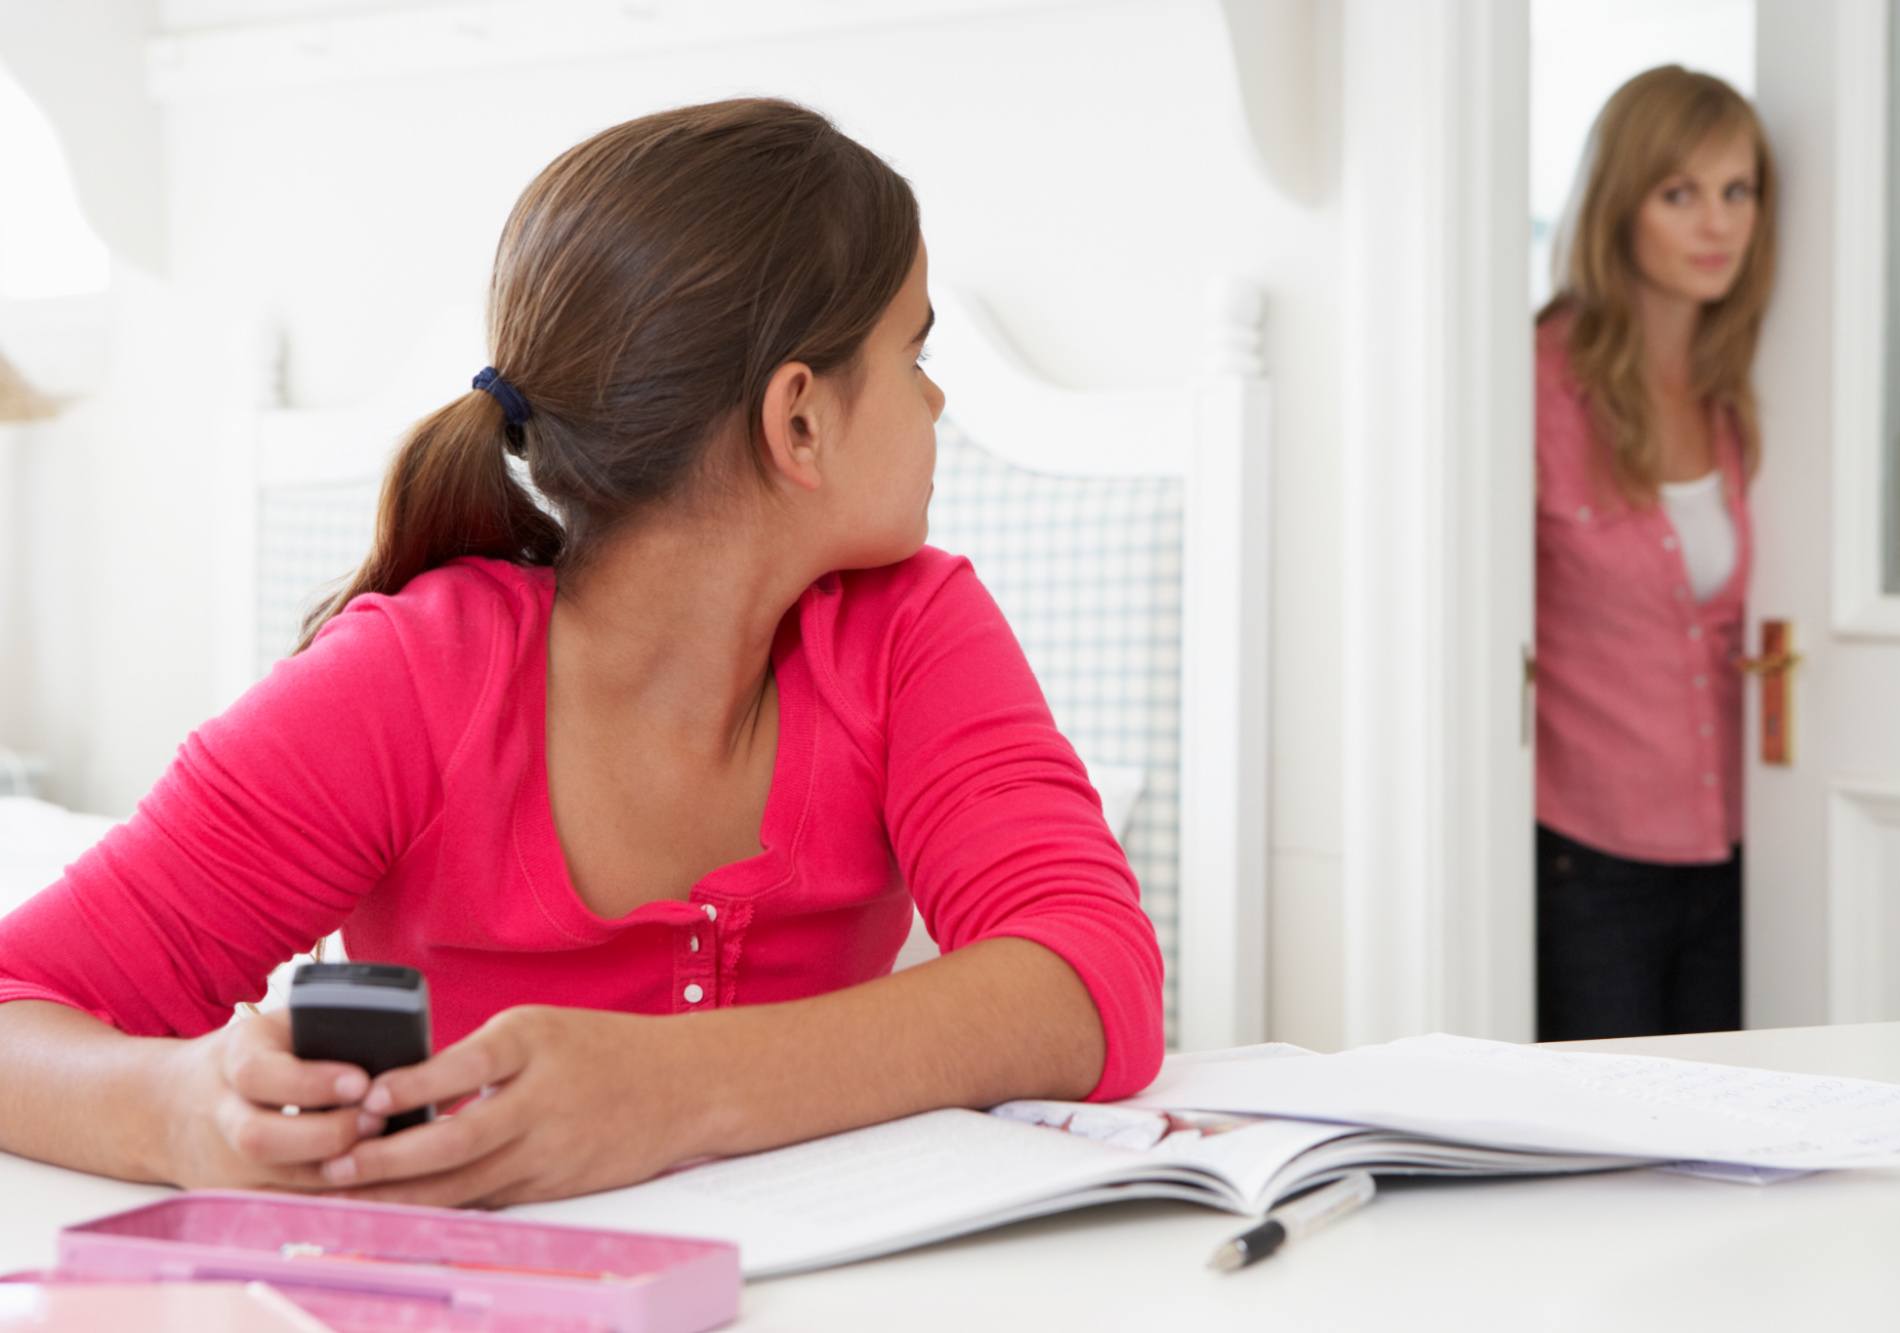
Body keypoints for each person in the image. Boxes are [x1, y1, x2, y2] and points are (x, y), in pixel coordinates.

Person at [0, 99, 1165, 1206]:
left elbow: (1091, 977)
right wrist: (178, 1112)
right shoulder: (406, 679)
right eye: (912, 351)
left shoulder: (910, 630)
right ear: (798, 419)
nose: (936, 396)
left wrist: (676, 1086)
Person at [1534, 66, 1777, 1041]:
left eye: (1736, 190)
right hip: (1587, 859)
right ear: (1617, 205)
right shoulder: (1537, 380)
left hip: (1733, 850)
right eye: (1678, 194)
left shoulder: (1738, 386)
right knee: (1609, 1162)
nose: (1715, 224)